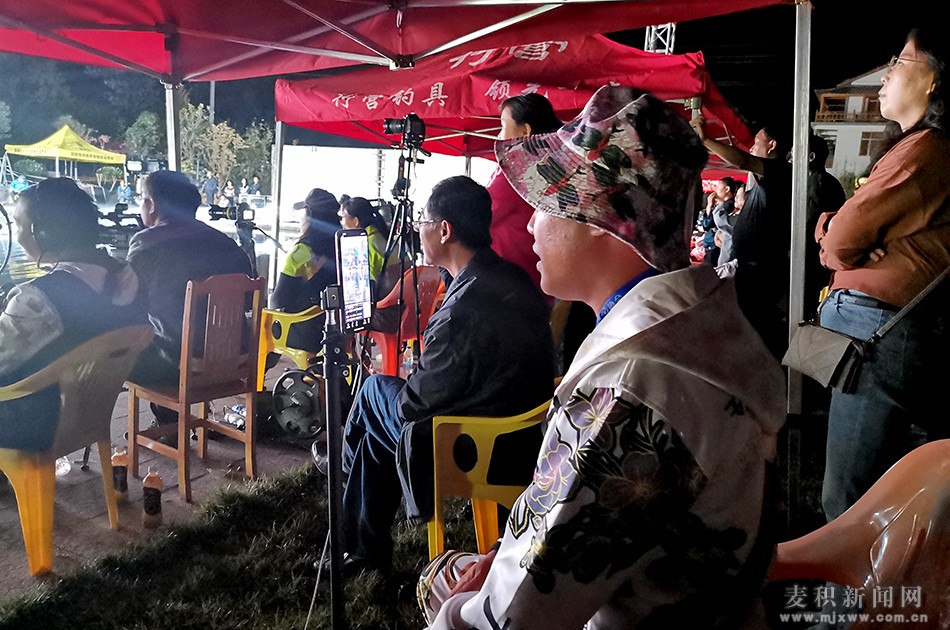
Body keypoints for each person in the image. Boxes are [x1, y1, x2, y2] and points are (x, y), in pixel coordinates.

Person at [419, 86, 787, 630]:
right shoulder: (696, 328)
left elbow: (513, 618)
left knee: (439, 582)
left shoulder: (628, 389)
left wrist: (450, 609)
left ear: (608, 223)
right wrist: (506, 552)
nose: (529, 224)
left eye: (546, 206)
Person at [337, 175, 556, 572]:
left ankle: (344, 479)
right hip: (523, 434)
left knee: (373, 393)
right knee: (374, 431)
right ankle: (363, 547)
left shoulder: (461, 310)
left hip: (476, 446)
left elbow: (411, 406)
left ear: (444, 230)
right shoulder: (512, 277)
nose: (417, 228)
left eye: (423, 220)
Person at [814, 26, 950, 523]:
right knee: (869, 490)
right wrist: (839, 231)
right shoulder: (917, 148)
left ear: (934, 79)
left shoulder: (927, 151)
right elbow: (845, 234)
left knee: (849, 502)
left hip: (879, 334)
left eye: (899, 62)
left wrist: (835, 234)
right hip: (882, 332)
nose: (885, 76)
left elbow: (841, 242)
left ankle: (856, 575)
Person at [0, 179, 145, 449]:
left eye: (19, 226)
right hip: (83, 418)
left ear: (43, 233)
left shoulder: (38, 299)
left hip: (31, 424)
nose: (17, 236)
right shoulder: (128, 277)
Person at [489, 92, 596, 372]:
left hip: (516, 289)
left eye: (503, 126)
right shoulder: (555, 166)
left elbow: (479, 214)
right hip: (541, 288)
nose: (498, 136)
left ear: (525, 131)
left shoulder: (518, 172)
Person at [127, 171, 252, 400]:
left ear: (152, 205)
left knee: (117, 353)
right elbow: (249, 301)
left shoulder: (147, 245)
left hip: (178, 364)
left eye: (143, 199)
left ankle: (166, 417)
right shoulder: (227, 244)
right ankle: (169, 417)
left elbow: (128, 302)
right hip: (237, 358)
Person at [690, 114, 794, 359]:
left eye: (757, 142)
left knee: (750, 329)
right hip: (750, 267)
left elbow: (743, 160)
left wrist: (706, 140)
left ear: (772, 145)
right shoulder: (765, 181)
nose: (751, 147)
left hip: (759, 271)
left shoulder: (778, 171)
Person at [270, 187, 340, 315]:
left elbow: (276, 302)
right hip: (335, 320)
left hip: (303, 323)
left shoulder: (301, 251)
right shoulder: (342, 244)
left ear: (310, 216)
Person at [711, 176, 739, 265]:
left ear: (727, 189)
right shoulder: (725, 205)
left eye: (718, 187)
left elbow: (722, 222)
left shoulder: (729, 205)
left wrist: (711, 205)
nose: (716, 191)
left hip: (730, 253)